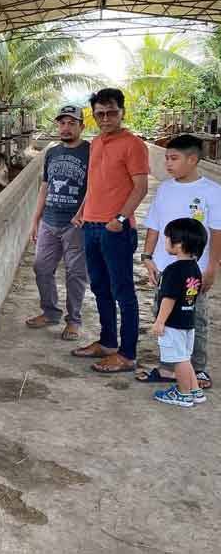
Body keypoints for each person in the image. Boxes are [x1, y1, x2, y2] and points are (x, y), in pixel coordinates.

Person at [70, 88, 149, 372]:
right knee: (100, 287)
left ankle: (127, 355)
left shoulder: (134, 145)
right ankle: (107, 342)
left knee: (123, 291)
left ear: (122, 112)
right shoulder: (96, 143)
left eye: (111, 112)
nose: (105, 118)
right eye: (100, 113)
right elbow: (94, 183)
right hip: (90, 225)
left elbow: (141, 187)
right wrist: (82, 212)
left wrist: (119, 218)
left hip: (115, 229)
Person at [137, 134, 217, 391]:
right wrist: (148, 257)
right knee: (163, 316)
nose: (168, 164)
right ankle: (168, 368)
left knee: (194, 318)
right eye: (166, 158)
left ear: (192, 159)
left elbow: (217, 233)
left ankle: (198, 368)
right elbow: (153, 226)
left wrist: (212, 268)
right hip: (164, 269)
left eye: (174, 158)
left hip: (195, 271)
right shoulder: (165, 189)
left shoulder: (212, 192)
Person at [26, 105, 89, 340]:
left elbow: (94, 188)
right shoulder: (51, 152)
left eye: (72, 123)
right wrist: (35, 220)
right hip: (49, 222)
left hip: (76, 225)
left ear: (82, 126)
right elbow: (45, 187)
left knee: (75, 273)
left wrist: (81, 213)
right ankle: (50, 312)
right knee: (41, 267)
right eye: (62, 123)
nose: (66, 128)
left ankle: (73, 321)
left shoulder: (90, 152)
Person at [149, 218, 207, 407]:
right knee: (184, 357)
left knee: (178, 360)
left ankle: (183, 394)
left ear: (179, 244)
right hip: (187, 321)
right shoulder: (195, 268)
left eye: (167, 238)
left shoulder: (173, 270)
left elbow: (169, 298)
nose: (165, 241)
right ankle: (195, 390)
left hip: (173, 324)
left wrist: (159, 321)